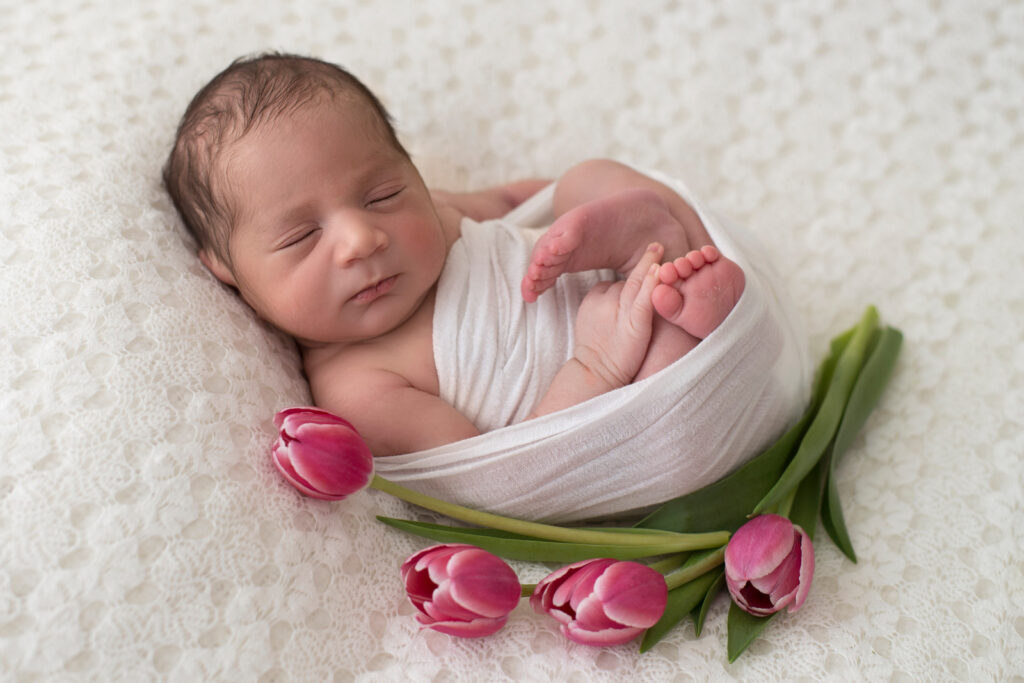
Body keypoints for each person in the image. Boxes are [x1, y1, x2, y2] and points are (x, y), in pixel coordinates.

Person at [163, 53, 745, 456]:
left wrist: (571, 222)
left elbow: (520, 201)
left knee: (586, 178)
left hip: (610, 276)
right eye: (301, 237)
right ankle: (688, 304)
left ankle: (664, 254)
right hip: (613, 393)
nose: (363, 238)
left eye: (383, 194)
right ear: (227, 271)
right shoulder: (359, 387)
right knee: (663, 379)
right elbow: (511, 473)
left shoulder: (436, 213)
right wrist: (597, 367)